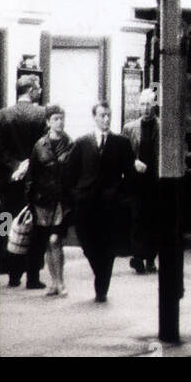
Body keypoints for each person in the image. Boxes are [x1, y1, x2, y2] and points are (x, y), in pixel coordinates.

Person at [63, 102, 131, 302]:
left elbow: (130, 173)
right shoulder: (82, 143)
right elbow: (69, 172)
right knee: (87, 242)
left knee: (108, 246)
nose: (106, 119)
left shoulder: (121, 143)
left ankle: (102, 285)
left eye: (109, 115)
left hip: (110, 204)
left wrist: (120, 193)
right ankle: (99, 269)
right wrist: (75, 195)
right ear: (94, 117)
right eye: (102, 115)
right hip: (86, 203)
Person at [0, 76, 48, 289]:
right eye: (38, 88)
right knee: (33, 226)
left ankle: (10, 271)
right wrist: (27, 165)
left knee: (6, 224)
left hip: (8, 184)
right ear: (32, 90)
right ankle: (32, 275)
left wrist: (15, 165)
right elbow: (44, 146)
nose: (40, 91)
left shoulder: (2, 116)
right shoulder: (42, 115)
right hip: (34, 183)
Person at [25, 104, 72, 296]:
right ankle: (54, 282)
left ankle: (60, 281)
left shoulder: (70, 144)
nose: (59, 122)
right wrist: (31, 198)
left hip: (61, 201)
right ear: (48, 122)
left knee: (55, 240)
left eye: (61, 118)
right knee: (47, 242)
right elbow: (32, 174)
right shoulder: (40, 145)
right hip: (42, 202)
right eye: (55, 119)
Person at [122, 88, 160, 274]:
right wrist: (133, 162)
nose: (145, 108)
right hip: (137, 181)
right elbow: (123, 154)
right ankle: (138, 256)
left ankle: (151, 258)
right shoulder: (130, 128)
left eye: (149, 104)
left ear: (155, 105)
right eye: (142, 104)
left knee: (153, 219)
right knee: (137, 217)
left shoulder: (162, 127)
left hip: (155, 180)